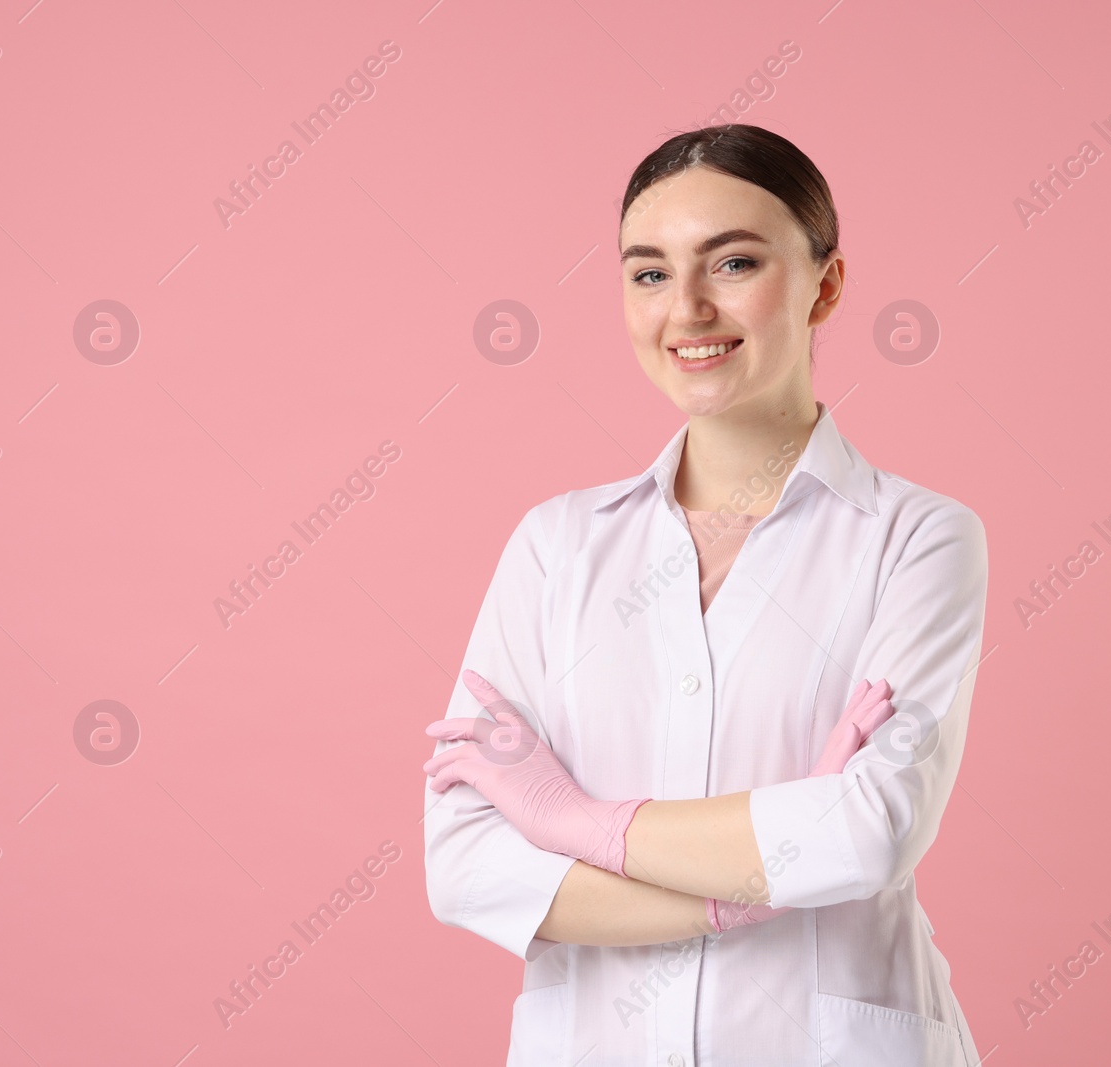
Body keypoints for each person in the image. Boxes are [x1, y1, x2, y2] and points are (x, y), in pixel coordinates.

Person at [422, 123, 989, 1066]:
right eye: (648, 274)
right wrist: (752, 883)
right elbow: (469, 866)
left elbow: (869, 830)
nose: (686, 308)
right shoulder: (557, 546)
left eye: (732, 262)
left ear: (828, 285)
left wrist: (574, 825)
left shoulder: (918, 538)